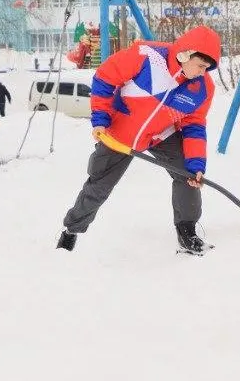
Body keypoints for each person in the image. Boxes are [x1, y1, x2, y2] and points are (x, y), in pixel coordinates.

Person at [57, 25, 222, 255]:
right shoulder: (146, 57)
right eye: (201, 65)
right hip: (119, 135)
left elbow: (194, 126)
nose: (203, 73)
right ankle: (71, 231)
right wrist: (100, 119)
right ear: (185, 54)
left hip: (159, 135)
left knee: (187, 174)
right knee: (99, 185)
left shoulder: (202, 88)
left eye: (207, 68)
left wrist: (196, 164)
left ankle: (187, 232)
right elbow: (105, 78)